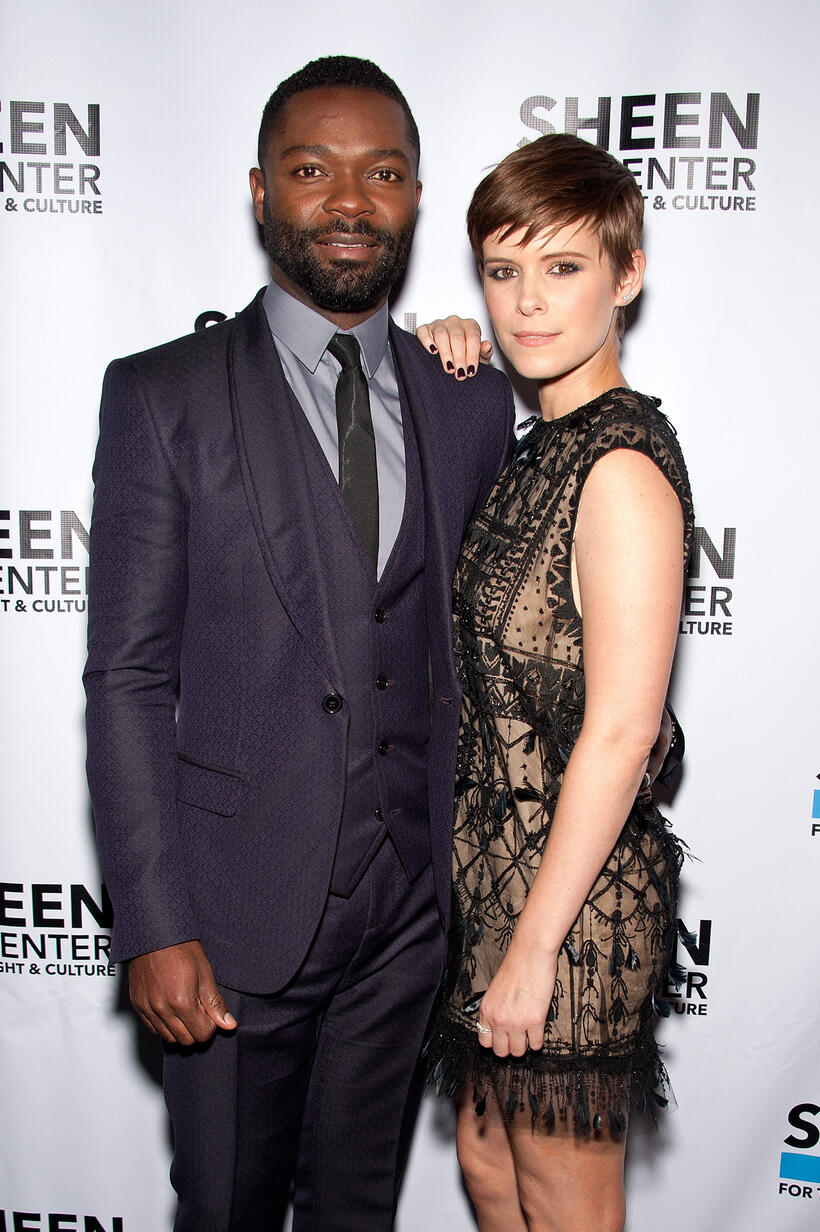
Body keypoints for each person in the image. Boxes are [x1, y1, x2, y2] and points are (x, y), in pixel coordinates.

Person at [83, 55, 514, 1231]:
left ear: (416, 199)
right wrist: (155, 921)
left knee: (356, 1213)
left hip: (407, 919)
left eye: (381, 173)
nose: (347, 200)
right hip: (227, 924)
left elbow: (498, 625)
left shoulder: (466, 394)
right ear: (261, 191)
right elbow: (125, 676)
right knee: (224, 1208)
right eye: (311, 169)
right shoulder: (162, 395)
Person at [418, 133, 695, 1232]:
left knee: (564, 1202)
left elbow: (624, 729)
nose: (527, 303)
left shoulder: (618, 468)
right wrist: (438, 351)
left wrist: (533, 949)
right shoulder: (540, 440)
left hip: (567, 905)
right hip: (490, 882)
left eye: (563, 267)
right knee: (489, 1171)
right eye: (501, 270)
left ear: (625, 274)